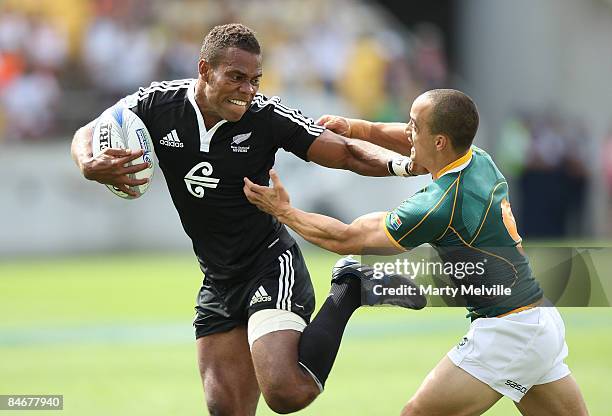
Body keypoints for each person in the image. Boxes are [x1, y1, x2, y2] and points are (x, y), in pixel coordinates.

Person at [70, 23, 424, 415]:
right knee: (227, 411)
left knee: (287, 393)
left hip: (268, 264)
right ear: (205, 70)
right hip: (218, 279)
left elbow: (345, 153)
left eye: (254, 80)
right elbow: (90, 129)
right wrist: (88, 162)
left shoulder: (266, 116)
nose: (247, 90)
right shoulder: (159, 103)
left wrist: (404, 166)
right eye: (236, 77)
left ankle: (350, 288)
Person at [244, 89, 589, 416]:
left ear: (439, 141)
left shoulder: (439, 205)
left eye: (414, 125)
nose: (407, 131)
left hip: (508, 332)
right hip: (538, 321)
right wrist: (357, 127)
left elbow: (347, 239)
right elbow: (414, 143)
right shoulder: (478, 159)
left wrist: (284, 212)